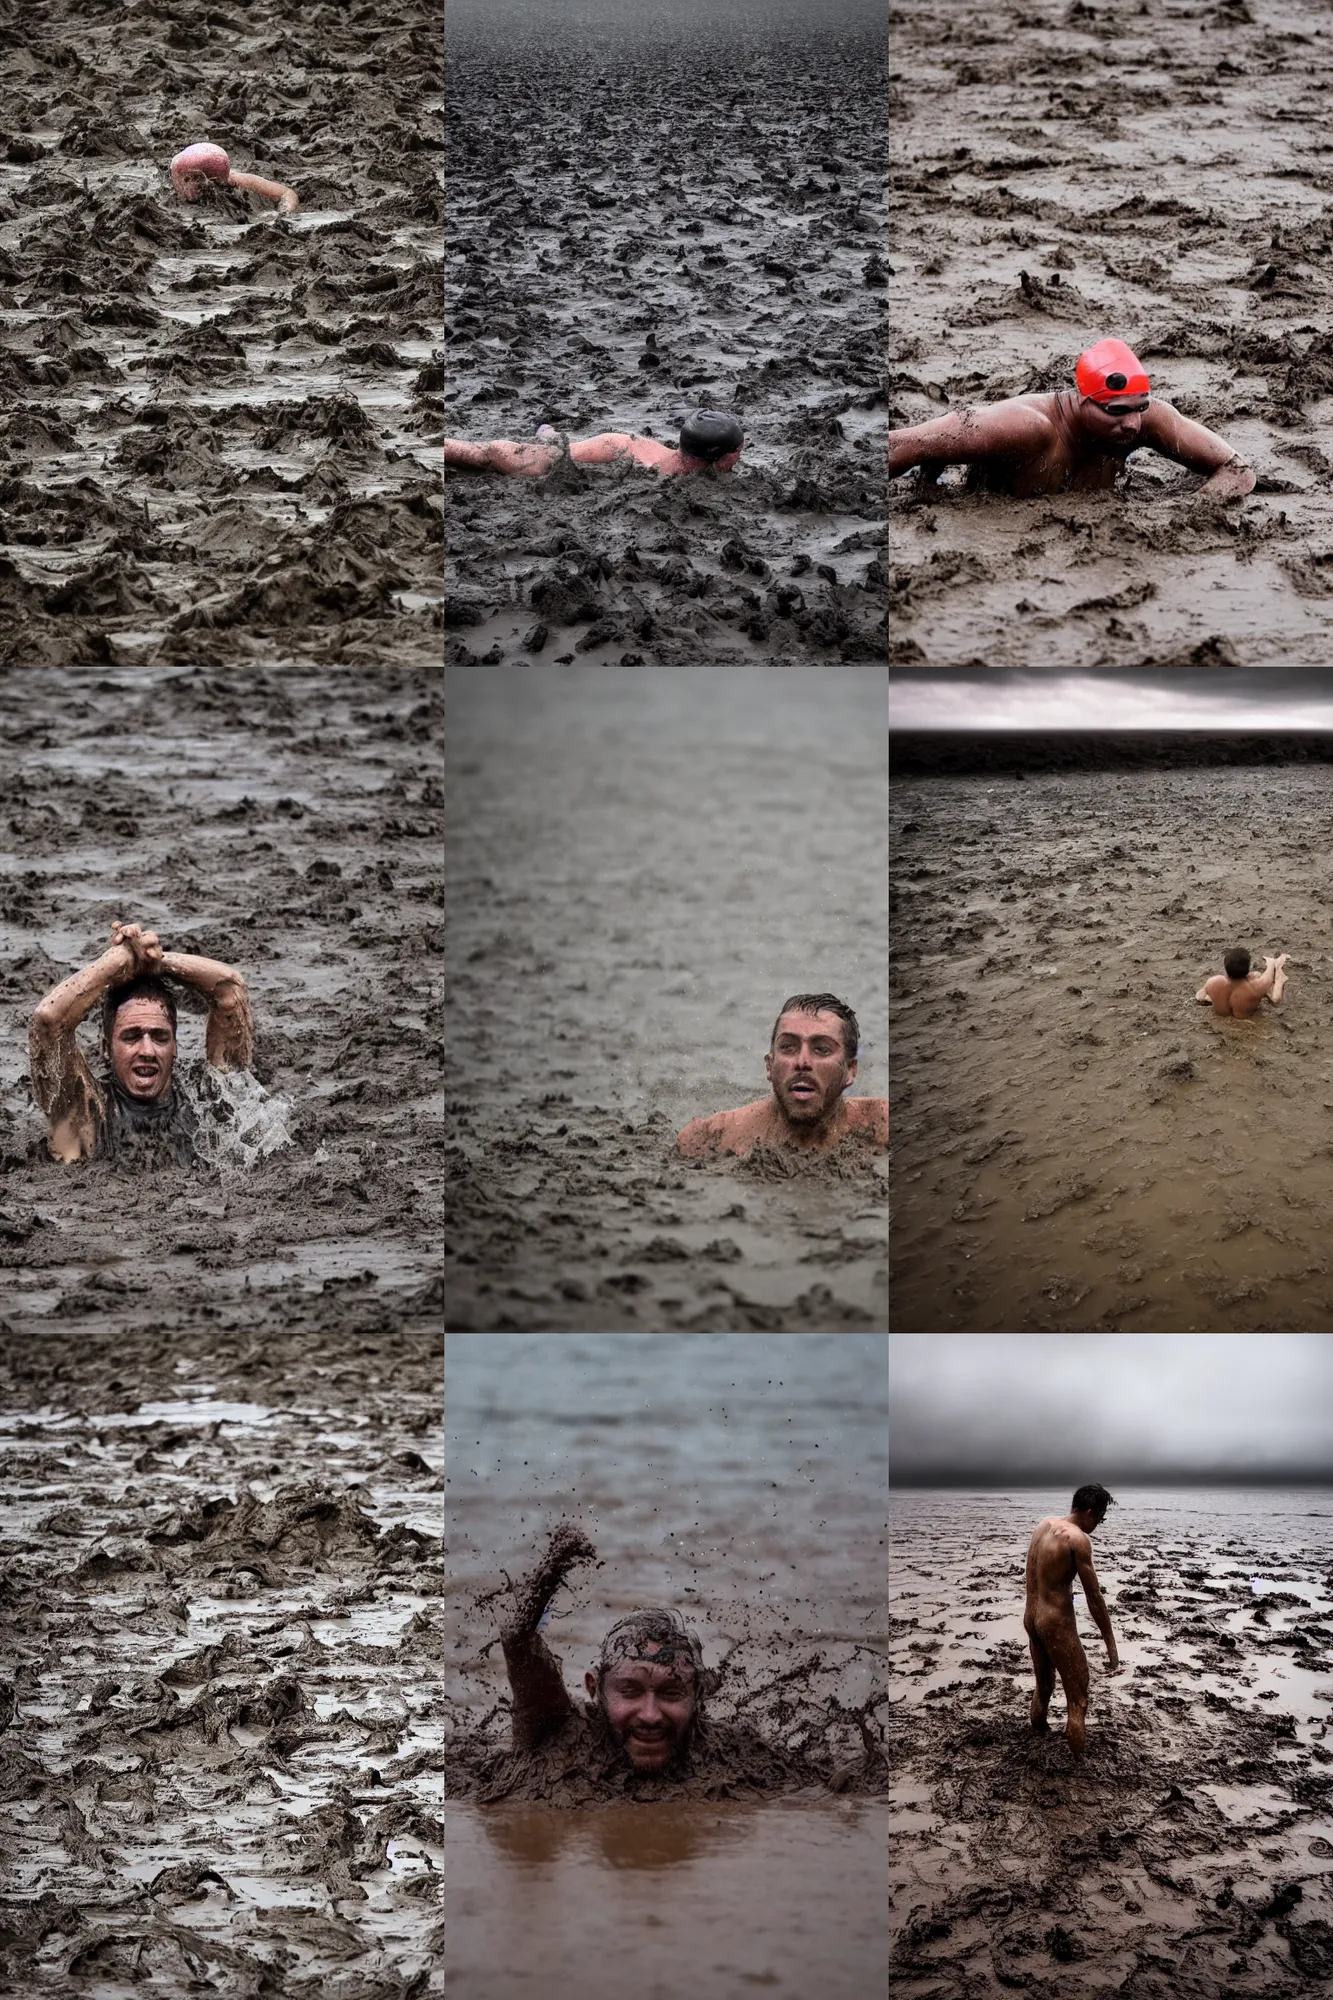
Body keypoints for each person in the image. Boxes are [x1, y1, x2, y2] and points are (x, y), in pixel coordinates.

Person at [888, 338, 1255, 499]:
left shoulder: (1147, 420)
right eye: (1115, 411)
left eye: (1138, 408)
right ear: (1082, 401)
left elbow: (1237, 469)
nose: (1132, 425)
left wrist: (1189, 515)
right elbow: (904, 444)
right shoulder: (1024, 427)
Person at [29, 922, 253, 1164]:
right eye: (131, 1037)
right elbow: (48, 1021)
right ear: (106, 1049)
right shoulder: (88, 1115)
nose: (147, 1051)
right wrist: (119, 962)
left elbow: (231, 992)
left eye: (160, 1037)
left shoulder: (205, 1100)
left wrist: (157, 962)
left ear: (175, 1045)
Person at [677, 992, 888, 1158]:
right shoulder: (711, 1138)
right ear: (770, 1065)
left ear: (850, 1071)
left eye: (822, 1049)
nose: (802, 1062)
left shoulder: (883, 1125)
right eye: (788, 1047)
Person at [1024, 1483, 1120, 1755]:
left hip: (1031, 1617)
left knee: (1043, 1687)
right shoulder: (1077, 1540)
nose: (1099, 1524)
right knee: (1077, 1699)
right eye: (1100, 1518)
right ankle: (1077, 1766)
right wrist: (1111, 1645)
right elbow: (1094, 1599)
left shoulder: (1044, 1524)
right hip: (1056, 1624)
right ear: (1090, 1512)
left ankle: (1038, 1740)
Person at [443, 409, 745, 479]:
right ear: (716, 457)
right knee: (498, 455)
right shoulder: (637, 460)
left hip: (614, 443)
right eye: (736, 452)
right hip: (609, 446)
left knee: (560, 442)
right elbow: (556, 459)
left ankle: (548, 432)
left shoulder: (704, 467)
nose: (741, 456)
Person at [1196, 947, 1288, 1018]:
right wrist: (1271, 963)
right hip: (1246, 1019)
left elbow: (1199, 996)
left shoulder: (1212, 982)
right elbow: (1269, 974)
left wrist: (1211, 998)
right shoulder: (1256, 987)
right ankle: (1281, 979)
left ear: (1225, 964)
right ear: (1248, 967)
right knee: (1274, 997)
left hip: (1222, 1017)